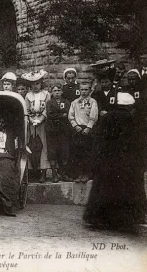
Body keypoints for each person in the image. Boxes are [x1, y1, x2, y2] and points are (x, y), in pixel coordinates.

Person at [84, 91, 147, 231]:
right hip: (126, 162)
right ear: (129, 106)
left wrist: (96, 161)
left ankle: (100, 219)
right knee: (126, 189)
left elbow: (99, 140)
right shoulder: (132, 119)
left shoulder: (107, 118)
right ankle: (124, 221)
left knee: (105, 188)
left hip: (107, 161)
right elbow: (138, 143)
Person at [22, 70, 50, 182]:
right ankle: (31, 170)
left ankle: (43, 171)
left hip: (42, 123)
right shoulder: (28, 95)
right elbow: (26, 110)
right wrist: (31, 119)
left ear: (41, 83)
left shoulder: (46, 94)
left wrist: (41, 119)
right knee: (31, 144)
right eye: (33, 84)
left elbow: (47, 109)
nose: (35, 86)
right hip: (31, 123)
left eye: (37, 83)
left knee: (43, 145)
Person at [68, 82, 98, 183]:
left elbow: (93, 116)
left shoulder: (93, 102)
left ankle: (87, 173)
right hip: (78, 129)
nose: (84, 92)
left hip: (87, 129)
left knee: (87, 153)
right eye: (82, 89)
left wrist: (88, 127)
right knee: (78, 153)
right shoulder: (75, 102)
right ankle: (79, 174)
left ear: (90, 90)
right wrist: (75, 126)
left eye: (86, 90)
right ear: (79, 90)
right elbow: (71, 116)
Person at [45, 83, 72, 183]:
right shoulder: (49, 103)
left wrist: (60, 114)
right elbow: (50, 114)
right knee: (52, 152)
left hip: (63, 130)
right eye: (55, 91)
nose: (57, 93)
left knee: (64, 151)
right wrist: (61, 114)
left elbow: (68, 113)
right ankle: (54, 174)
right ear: (52, 92)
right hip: (52, 130)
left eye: (58, 91)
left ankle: (63, 174)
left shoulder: (66, 102)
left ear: (62, 91)